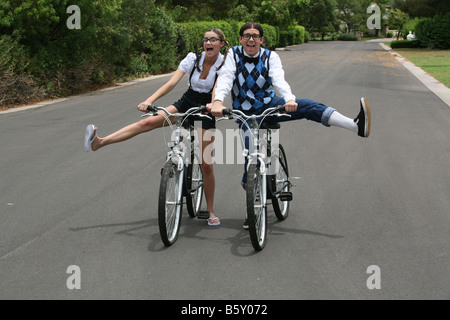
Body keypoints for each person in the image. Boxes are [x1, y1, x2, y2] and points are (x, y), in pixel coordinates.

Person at [210, 22, 371, 229]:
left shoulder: (271, 57)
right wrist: (217, 101)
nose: (251, 39)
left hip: (270, 105)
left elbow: (279, 79)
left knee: (308, 106)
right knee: (250, 161)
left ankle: (355, 125)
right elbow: (225, 79)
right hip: (245, 114)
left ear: (262, 39)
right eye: (247, 36)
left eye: (255, 36)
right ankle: (252, 212)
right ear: (240, 39)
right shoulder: (233, 55)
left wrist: (289, 99)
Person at [84, 28, 230, 226]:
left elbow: (217, 88)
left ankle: (210, 210)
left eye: (213, 39)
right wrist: (149, 100)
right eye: (205, 39)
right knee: (146, 122)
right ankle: (100, 142)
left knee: (206, 164)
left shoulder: (224, 62)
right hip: (187, 101)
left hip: (208, 107)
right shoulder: (193, 58)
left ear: (221, 43)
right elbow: (171, 83)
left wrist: (213, 105)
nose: (208, 42)